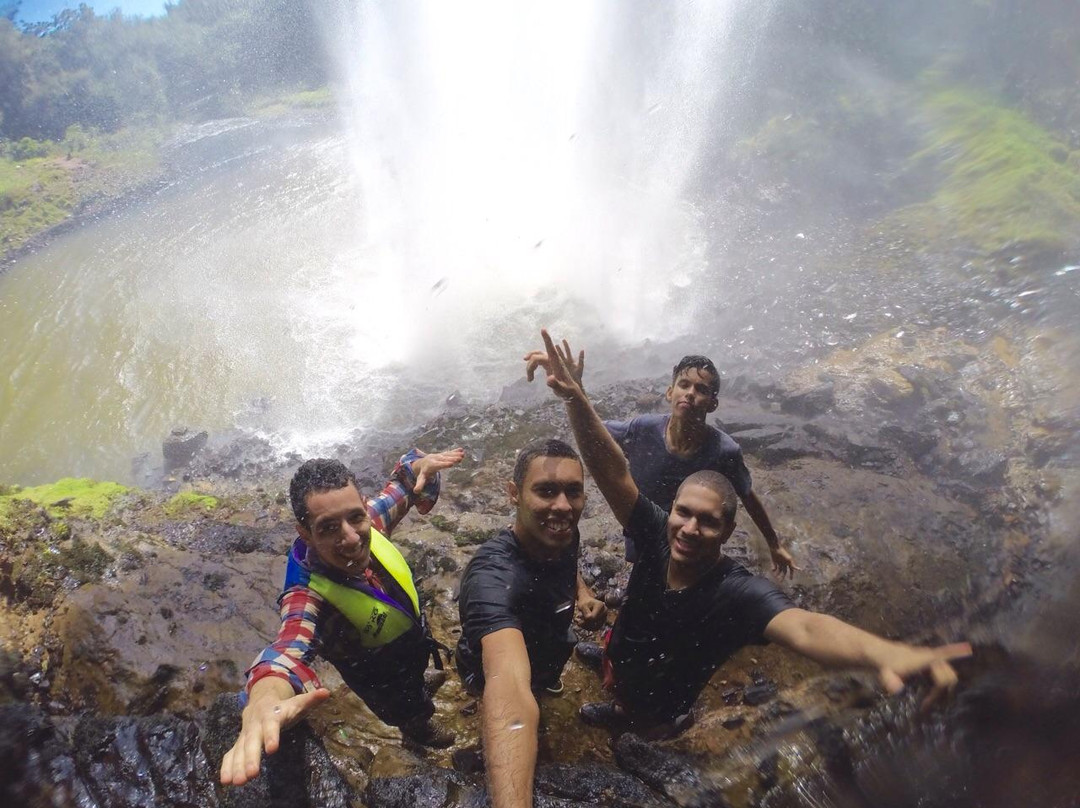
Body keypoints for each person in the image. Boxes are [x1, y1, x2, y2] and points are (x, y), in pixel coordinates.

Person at [528, 329, 970, 735]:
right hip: (630, 646)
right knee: (630, 615)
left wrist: (884, 654)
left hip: (660, 696)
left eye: (709, 521)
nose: (689, 529)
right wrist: (574, 397)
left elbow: (807, 629)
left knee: (647, 713)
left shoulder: (737, 591)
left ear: (726, 531)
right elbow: (611, 470)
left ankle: (641, 722)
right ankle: (610, 656)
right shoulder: (657, 531)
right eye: (683, 513)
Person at [220, 448, 465, 787]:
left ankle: (418, 683)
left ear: (363, 507)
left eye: (355, 517)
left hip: (407, 642)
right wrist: (264, 700)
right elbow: (288, 648)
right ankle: (416, 728)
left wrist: (418, 467)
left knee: (415, 673)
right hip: (381, 679)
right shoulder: (308, 595)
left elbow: (402, 486)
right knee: (407, 706)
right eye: (329, 528)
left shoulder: (369, 520)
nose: (351, 538)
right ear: (305, 533)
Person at [527, 345, 796, 576]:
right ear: (670, 393)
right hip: (642, 532)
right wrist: (574, 388)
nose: (690, 393)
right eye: (684, 384)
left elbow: (747, 495)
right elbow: (595, 433)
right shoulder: (642, 429)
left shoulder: (724, 450)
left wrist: (773, 543)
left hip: (691, 540)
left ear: (712, 404)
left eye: (701, 389)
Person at [456, 437, 607, 808]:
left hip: (548, 650)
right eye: (546, 491)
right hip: (493, 666)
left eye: (574, 492)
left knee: (538, 688)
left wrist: (584, 593)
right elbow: (507, 684)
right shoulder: (491, 576)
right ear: (513, 493)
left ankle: (543, 687)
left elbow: (566, 560)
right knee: (516, 697)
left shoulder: (562, 531)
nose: (562, 505)